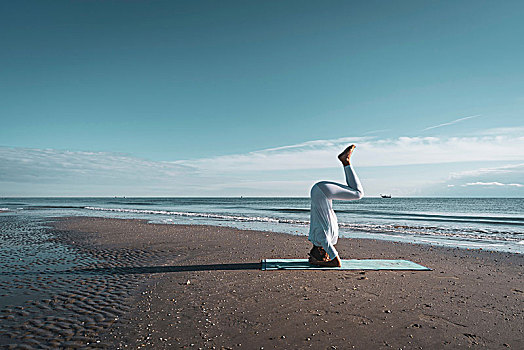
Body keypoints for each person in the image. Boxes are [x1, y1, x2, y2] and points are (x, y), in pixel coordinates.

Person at [308, 144, 364, 267]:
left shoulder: (321, 239)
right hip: (320, 192)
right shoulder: (321, 238)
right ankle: (345, 162)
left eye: (326, 255)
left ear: (321, 250)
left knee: (358, 193)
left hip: (321, 191)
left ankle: (345, 161)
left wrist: (319, 263)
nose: (328, 255)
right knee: (355, 191)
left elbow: (336, 263)